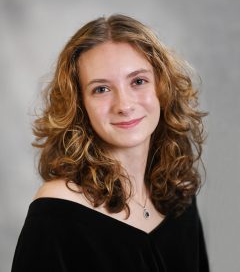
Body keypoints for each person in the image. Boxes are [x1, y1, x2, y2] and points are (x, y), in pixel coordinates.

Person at [11, 14, 209, 272]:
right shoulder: (56, 213)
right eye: (101, 89)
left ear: (163, 88)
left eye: (138, 81)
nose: (124, 105)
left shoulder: (179, 191)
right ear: (79, 105)